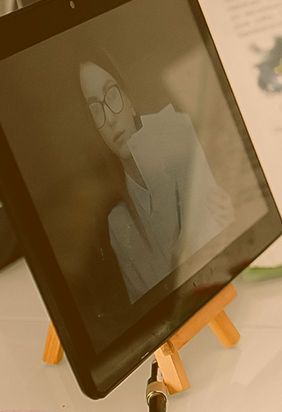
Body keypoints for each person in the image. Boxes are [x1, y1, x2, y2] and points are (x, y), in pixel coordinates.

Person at [79, 54, 235, 304]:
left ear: (129, 102)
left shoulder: (187, 156)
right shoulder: (119, 225)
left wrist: (228, 226)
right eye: (95, 109)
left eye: (112, 95)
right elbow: (150, 312)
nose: (109, 118)